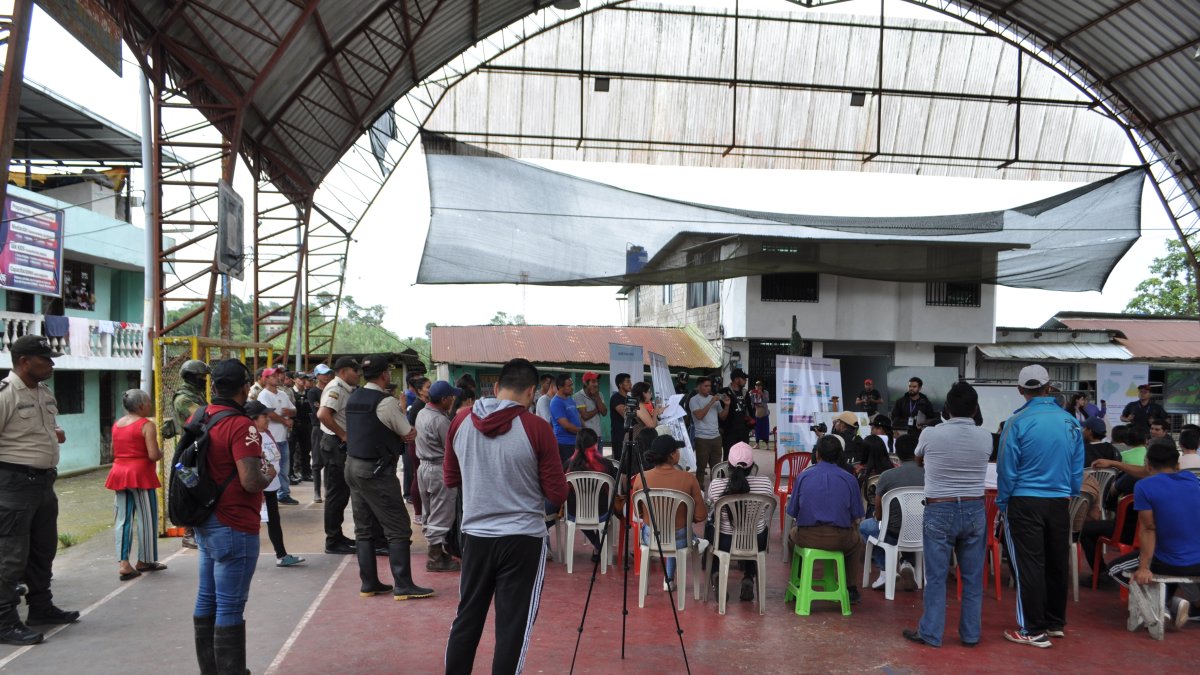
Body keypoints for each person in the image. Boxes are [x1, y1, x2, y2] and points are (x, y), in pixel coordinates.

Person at [444, 358, 568, 674]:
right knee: (513, 626)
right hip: (523, 539)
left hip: (475, 536)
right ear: (531, 391)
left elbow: (451, 479)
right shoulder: (536, 428)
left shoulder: (460, 422)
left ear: (496, 388)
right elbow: (556, 493)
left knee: (467, 616)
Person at [191, 359, 276, 674]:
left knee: (207, 598)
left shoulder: (201, 415)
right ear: (245, 387)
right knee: (229, 605)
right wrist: (269, 472)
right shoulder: (242, 425)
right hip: (234, 523)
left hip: (206, 520)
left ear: (213, 387)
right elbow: (251, 480)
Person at [996, 365, 1084, 648]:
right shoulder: (1070, 421)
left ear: (1021, 390)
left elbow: (1007, 469)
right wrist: (1069, 491)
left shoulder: (1017, 422)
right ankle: (1054, 622)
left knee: (1028, 565)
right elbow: (1076, 465)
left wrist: (1003, 500)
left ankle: (1033, 629)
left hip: (1024, 501)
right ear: (1049, 387)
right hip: (1059, 500)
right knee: (1057, 560)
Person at [0, 335, 79, 645]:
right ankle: (5, 621)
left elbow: (40, 430)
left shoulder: (43, 392)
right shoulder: (7, 394)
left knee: (43, 549)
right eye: (44, 359)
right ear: (24, 361)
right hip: (14, 485)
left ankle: (41, 608)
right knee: (10, 556)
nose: (51, 364)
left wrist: (54, 435)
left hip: (44, 482)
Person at [902, 382, 992, 648]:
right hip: (975, 509)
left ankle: (931, 633)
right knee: (973, 577)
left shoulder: (930, 434)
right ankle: (971, 634)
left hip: (939, 508)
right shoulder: (986, 436)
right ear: (975, 409)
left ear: (946, 409)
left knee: (937, 576)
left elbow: (918, 460)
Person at [344, 354, 434, 601]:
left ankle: (369, 583)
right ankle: (403, 585)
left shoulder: (355, 397)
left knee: (363, 528)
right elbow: (408, 432)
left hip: (352, 466)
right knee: (397, 527)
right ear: (385, 374)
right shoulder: (385, 402)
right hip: (376, 470)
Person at [1107, 442, 1200, 631]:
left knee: (1115, 568)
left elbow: (1148, 528)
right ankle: (1173, 606)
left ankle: (1170, 605)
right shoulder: (1191, 479)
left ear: (1148, 465)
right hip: (1197, 561)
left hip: (1167, 560)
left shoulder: (1144, 486)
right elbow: (1160, 476)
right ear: (1178, 465)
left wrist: (1143, 567)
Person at [786, 434, 866, 604]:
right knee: (857, 542)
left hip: (807, 537)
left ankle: (798, 579)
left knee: (791, 537)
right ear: (840, 455)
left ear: (817, 454)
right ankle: (851, 588)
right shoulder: (850, 479)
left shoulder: (803, 476)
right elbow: (857, 514)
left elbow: (792, 511)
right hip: (840, 538)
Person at [630, 435, 708, 592]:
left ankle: (669, 579)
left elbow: (639, 513)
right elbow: (701, 516)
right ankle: (669, 579)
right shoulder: (688, 479)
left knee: (665, 527)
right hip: (679, 538)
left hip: (650, 536)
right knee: (677, 529)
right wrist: (684, 516)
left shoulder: (641, 478)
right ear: (672, 455)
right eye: (677, 450)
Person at [105, 389, 167, 582]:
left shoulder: (117, 424)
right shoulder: (146, 425)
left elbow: (113, 452)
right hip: (140, 474)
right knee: (146, 518)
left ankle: (123, 563)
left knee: (122, 519)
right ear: (141, 406)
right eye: (149, 402)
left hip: (118, 473)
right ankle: (145, 560)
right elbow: (152, 455)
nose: (150, 405)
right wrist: (161, 451)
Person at [706, 441, 772, 602]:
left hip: (725, 542)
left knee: (711, 526)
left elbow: (710, 507)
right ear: (752, 466)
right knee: (755, 529)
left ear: (728, 465)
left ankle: (716, 573)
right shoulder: (765, 484)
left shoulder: (716, 485)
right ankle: (748, 576)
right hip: (756, 541)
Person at [243, 400, 305, 568]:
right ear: (253, 419)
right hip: (260, 488)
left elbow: (274, 458)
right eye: (264, 416)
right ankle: (245, 557)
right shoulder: (250, 437)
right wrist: (260, 489)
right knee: (252, 524)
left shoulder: (267, 433)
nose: (268, 418)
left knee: (274, 521)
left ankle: (281, 555)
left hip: (271, 485)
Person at [859, 434, 923, 590]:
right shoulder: (930, 474)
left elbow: (879, 515)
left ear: (897, 454)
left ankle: (886, 570)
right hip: (922, 532)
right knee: (910, 525)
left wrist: (878, 517)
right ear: (918, 452)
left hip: (892, 531)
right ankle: (908, 563)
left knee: (866, 527)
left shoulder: (888, 476)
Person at [416, 379, 463, 573]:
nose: (453, 399)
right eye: (451, 396)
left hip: (424, 467)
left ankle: (437, 551)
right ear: (443, 399)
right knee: (442, 513)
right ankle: (435, 557)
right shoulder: (440, 420)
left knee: (430, 512)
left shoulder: (422, 412)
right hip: (438, 467)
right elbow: (452, 449)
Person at [316, 356, 361, 554]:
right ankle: (333, 541)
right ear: (343, 372)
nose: (358, 374)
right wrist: (343, 435)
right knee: (336, 494)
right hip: (334, 444)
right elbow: (323, 414)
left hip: (337, 444)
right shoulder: (336, 388)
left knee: (341, 494)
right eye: (354, 370)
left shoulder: (344, 388)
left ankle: (337, 536)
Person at [564, 428, 619, 563]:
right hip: (602, 512)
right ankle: (599, 545)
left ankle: (597, 545)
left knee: (578, 512)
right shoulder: (606, 465)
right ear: (595, 443)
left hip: (574, 512)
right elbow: (615, 488)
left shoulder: (568, 465)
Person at [174, 358, 210, 550]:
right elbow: (200, 418)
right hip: (188, 449)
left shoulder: (197, 395)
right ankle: (188, 533)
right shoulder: (184, 398)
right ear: (190, 377)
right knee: (190, 487)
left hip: (199, 445)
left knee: (200, 486)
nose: (203, 380)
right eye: (200, 377)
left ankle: (197, 529)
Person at [256, 367, 298, 505]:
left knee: (283, 468)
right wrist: (285, 420)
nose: (277, 377)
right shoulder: (264, 395)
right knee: (270, 467)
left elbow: (294, 410)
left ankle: (284, 493)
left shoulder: (283, 394)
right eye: (273, 376)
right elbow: (269, 414)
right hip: (269, 439)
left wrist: (290, 414)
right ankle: (269, 493)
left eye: (278, 375)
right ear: (266, 378)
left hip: (282, 437)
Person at [689, 376, 729, 489]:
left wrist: (727, 406)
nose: (708, 388)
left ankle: (715, 490)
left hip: (716, 437)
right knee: (701, 467)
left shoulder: (714, 399)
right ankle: (699, 491)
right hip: (702, 438)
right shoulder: (694, 400)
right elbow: (699, 416)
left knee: (716, 467)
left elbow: (723, 417)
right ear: (699, 387)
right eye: (706, 386)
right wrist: (711, 402)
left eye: (710, 386)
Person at [307, 364, 332, 503]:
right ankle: (317, 491)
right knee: (317, 461)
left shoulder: (331, 390)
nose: (327, 376)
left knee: (329, 459)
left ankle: (328, 488)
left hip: (330, 428)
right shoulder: (313, 392)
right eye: (324, 374)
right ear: (317, 376)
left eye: (328, 373)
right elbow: (318, 412)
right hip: (318, 428)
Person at [549, 374, 583, 466]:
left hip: (575, 442)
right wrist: (583, 432)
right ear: (560, 387)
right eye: (569, 386)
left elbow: (578, 417)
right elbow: (566, 426)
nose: (572, 388)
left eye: (572, 385)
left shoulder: (570, 399)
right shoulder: (556, 402)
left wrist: (584, 429)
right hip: (564, 444)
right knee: (567, 473)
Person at [718, 369, 753, 459]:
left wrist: (751, 425)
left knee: (743, 456)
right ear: (736, 379)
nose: (746, 380)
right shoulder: (723, 392)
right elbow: (719, 411)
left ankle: (742, 473)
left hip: (744, 431)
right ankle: (726, 473)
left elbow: (750, 410)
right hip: (729, 432)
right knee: (729, 456)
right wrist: (721, 427)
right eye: (744, 378)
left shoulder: (745, 393)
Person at [573, 371, 608, 451]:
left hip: (598, 435)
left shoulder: (599, 394)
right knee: (586, 462)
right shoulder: (578, 396)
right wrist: (598, 408)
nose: (596, 384)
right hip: (586, 437)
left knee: (598, 461)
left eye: (597, 381)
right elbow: (585, 416)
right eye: (593, 381)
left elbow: (604, 412)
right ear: (585, 383)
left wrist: (597, 397)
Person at [291, 372, 313, 482]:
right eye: (300, 378)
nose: (302, 380)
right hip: (295, 424)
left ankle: (306, 472)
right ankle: (296, 471)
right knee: (295, 449)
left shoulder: (308, 393)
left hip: (306, 424)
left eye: (304, 378)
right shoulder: (291, 392)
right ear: (294, 379)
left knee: (306, 449)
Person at [608, 373, 633, 461]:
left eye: (630, 381)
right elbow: (626, 415)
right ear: (620, 384)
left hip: (630, 435)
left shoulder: (631, 399)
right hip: (619, 436)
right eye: (628, 382)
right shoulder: (616, 398)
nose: (630, 384)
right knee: (620, 463)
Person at [750, 380, 771, 449]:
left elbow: (767, 400)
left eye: (759, 385)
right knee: (757, 430)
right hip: (757, 414)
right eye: (756, 385)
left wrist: (761, 394)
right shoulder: (753, 393)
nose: (758, 387)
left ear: (762, 386)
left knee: (765, 430)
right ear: (755, 386)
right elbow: (751, 403)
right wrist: (750, 395)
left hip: (764, 414)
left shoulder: (765, 392)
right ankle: (757, 444)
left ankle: (767, 445)